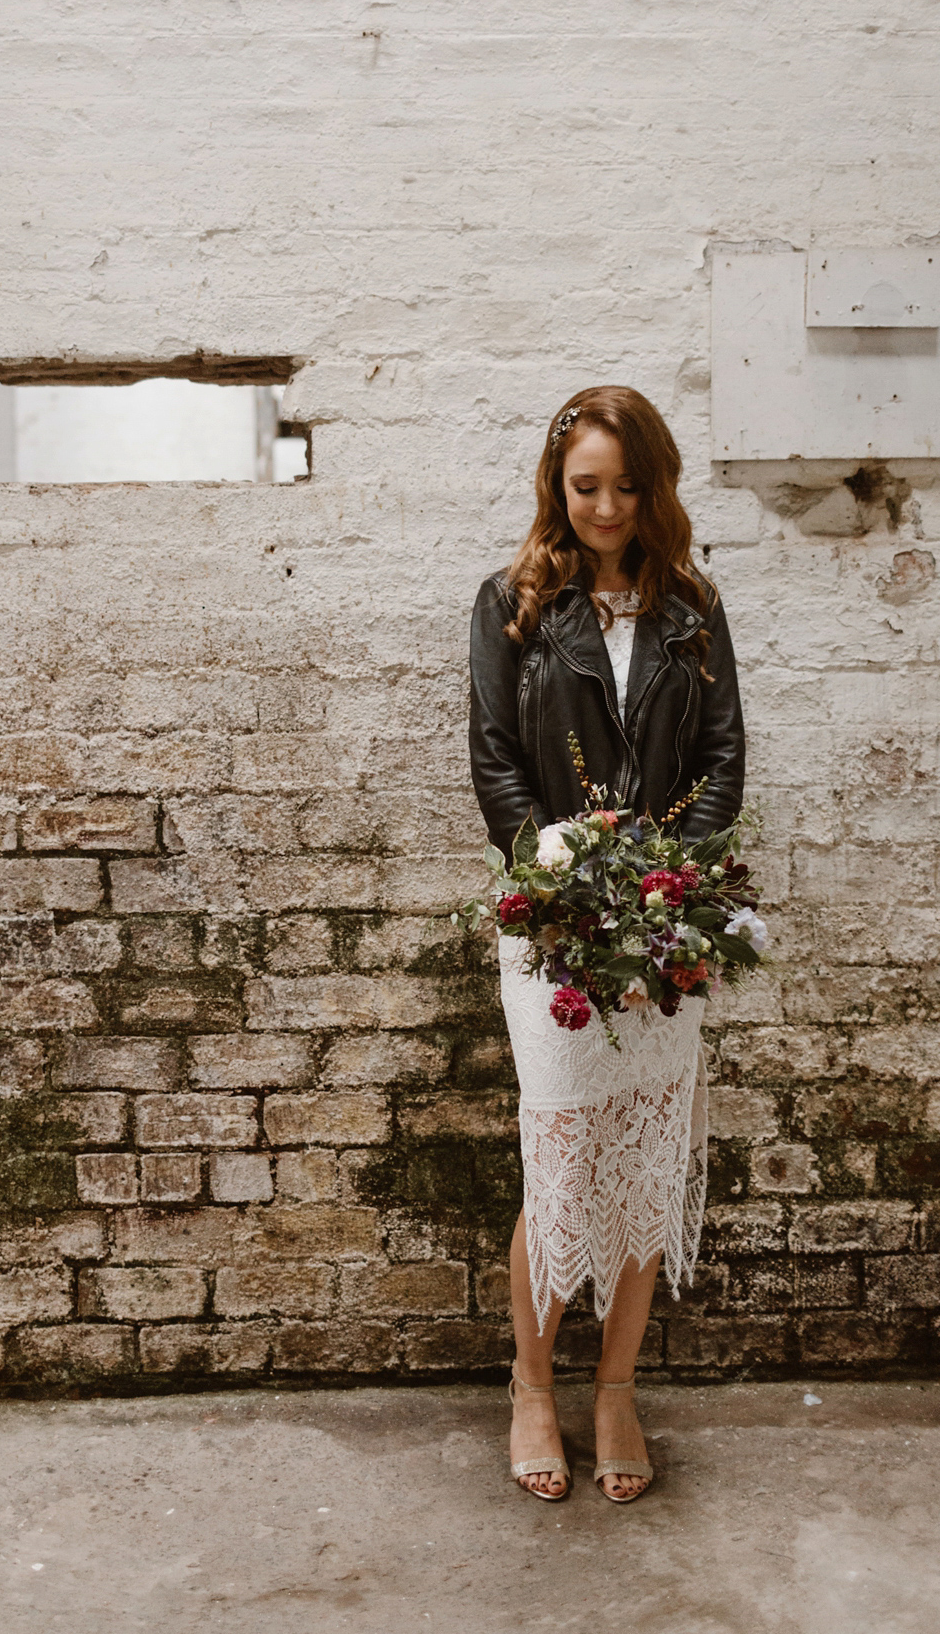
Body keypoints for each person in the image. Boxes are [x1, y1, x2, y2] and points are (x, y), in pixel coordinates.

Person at [468, 385, 744, 1503]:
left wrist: (675, 883)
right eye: (588, 486)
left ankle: (616, 1388)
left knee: (646, 1151)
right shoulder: (513, 603)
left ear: (657, 486)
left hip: (670, 921)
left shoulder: (691, 605)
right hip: (554, 926)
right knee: (566, 1151)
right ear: (557, 484)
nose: (610, 506)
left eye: (630, 486)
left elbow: (723, 756)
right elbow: (494, 758)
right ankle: (534, 1385)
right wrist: (562, 873)